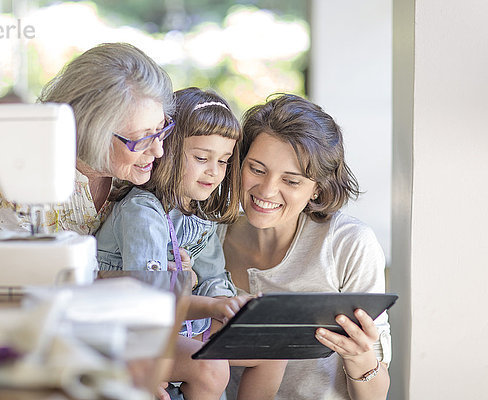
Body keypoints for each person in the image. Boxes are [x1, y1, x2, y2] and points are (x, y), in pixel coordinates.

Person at [96, 87, 286, 400]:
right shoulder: (142, 212)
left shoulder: (201, 214)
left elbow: (213, 277)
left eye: (224, 161)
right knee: (210, 369)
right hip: (128, 333)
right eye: (201, 158)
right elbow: (151, 300)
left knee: (272, 347)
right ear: (167, 150)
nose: (214, 172)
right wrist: (212, 305)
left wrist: (227, 308)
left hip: (180, 325)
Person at [220, 94, 391, 400]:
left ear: (317, 189)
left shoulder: (348, 244)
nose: (267, 190)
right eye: (257, 170)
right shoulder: (208, 239)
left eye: (292, 180)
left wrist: (360, 358)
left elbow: (375, 396)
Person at [0, 42, 174, 235]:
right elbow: (11, 267)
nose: (159, 151)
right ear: (94, 133)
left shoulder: (146, 172)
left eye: (160, 128)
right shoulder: (16, 183)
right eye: (142, 139)